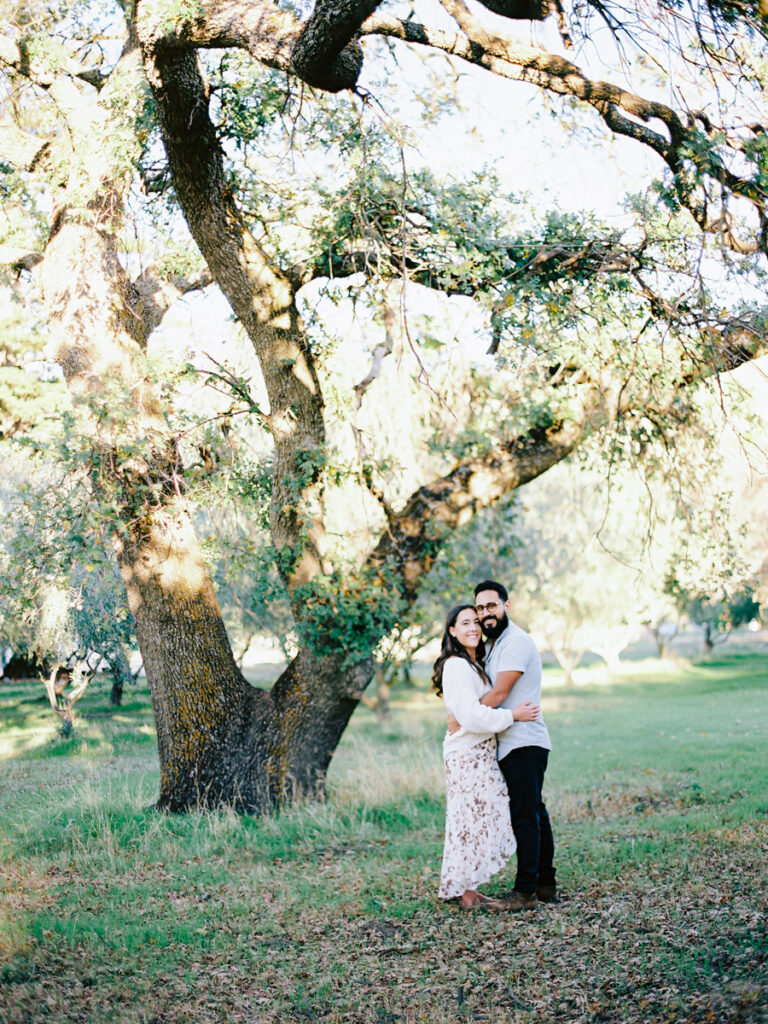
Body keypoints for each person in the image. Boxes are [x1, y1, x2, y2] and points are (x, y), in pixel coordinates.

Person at [432, 603, 540, 910]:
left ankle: (470, 888)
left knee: (477, 820)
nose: (473, 628)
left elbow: (469, 711)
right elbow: (471, 715)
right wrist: (512, 716)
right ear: (452, 630)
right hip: (466, 754)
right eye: (464, 623)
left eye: (476, 622)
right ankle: (467, 893)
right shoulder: (455, 664)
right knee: (471, 821)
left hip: (479, 752)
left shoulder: (473, 664)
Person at [469, 579, 558, 911]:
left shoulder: (516, 642)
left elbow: (499, 694)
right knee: (535, 812)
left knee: (525, 816)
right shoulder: (497, 645)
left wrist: (464, 714)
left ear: (507, 605)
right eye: (480, 608)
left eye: (491, 605)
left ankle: (525, 893)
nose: (485, 613)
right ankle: (545, 885)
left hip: (524, 742)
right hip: (513, 742)